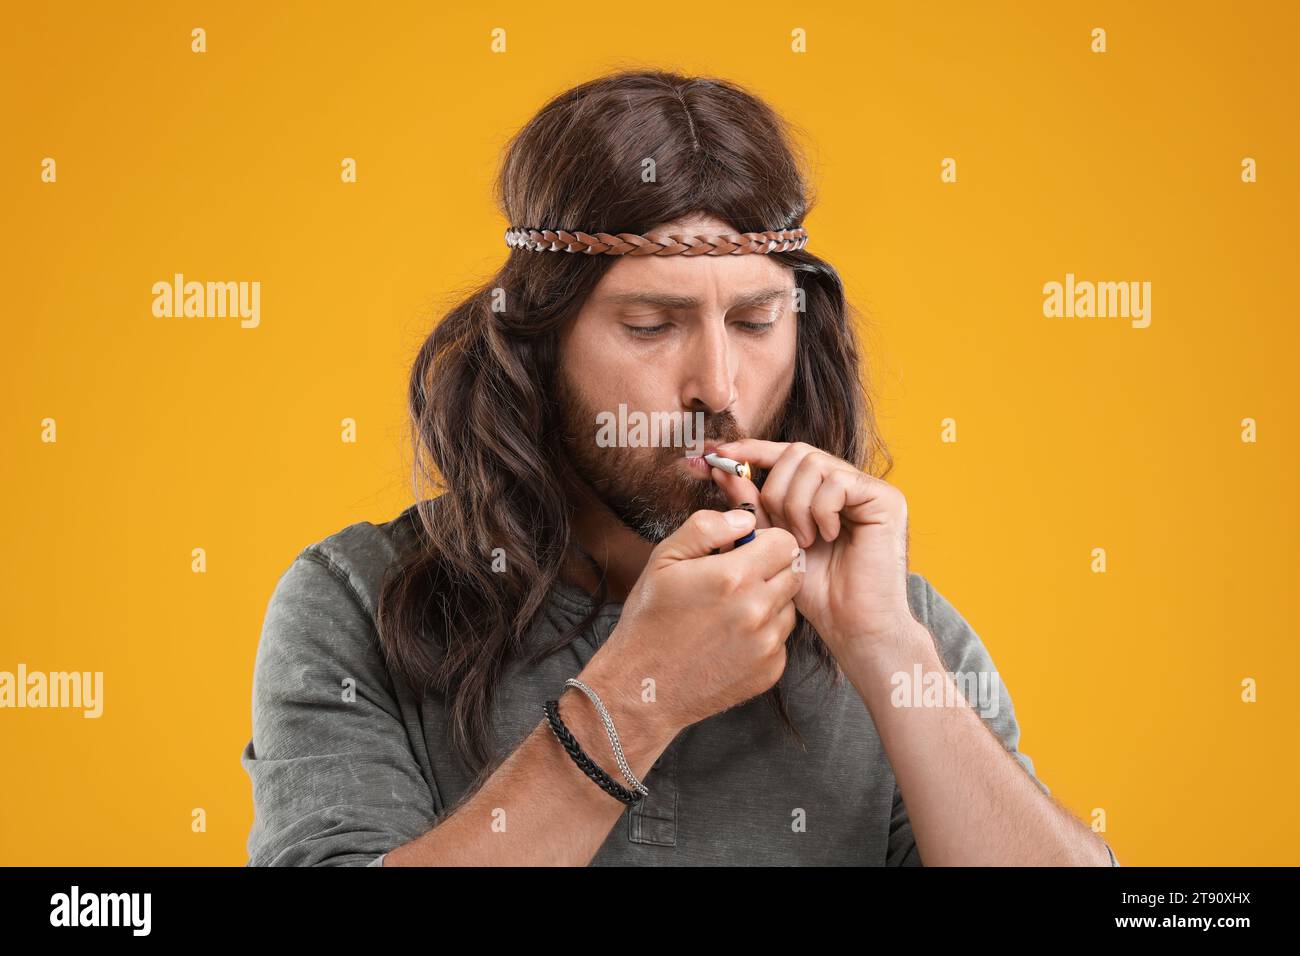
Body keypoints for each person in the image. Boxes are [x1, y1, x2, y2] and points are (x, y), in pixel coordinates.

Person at [240, 68, 1118, 867]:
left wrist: (885, 648)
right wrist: (635, 701)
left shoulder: (894, 619)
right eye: (651, 327)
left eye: (755, 321)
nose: (718, 387)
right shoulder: (354, 602)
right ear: (538, 344)